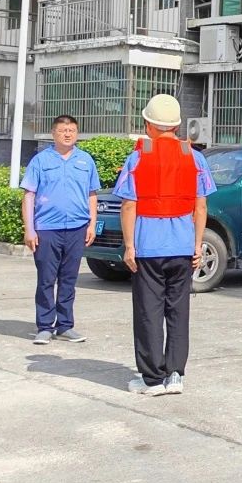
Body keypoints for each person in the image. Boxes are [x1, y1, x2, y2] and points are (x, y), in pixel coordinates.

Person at [115, 94, 216, 396]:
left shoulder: (137, 157)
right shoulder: (194, 157)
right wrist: (197, 246)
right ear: (176, 125)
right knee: (178, 311)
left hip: (148, 249)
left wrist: (129, 246)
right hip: (182, 248)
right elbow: (201, 207)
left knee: (149, 312)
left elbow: (129, 205)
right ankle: (175, 375)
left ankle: (152, 379)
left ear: (148, 124)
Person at [22, 114, 100, 344]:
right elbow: (29, 195)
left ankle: (65, 325)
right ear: (53, 133)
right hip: (47, 229)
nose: (67, 134)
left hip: (77, 228)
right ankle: (45, 326)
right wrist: (29, 229)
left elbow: (92, 194)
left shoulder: (85, 160)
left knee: (68, 279)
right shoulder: (40, 161)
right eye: (63, 130)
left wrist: (92, 224)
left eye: (72, 131)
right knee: (46, 279)